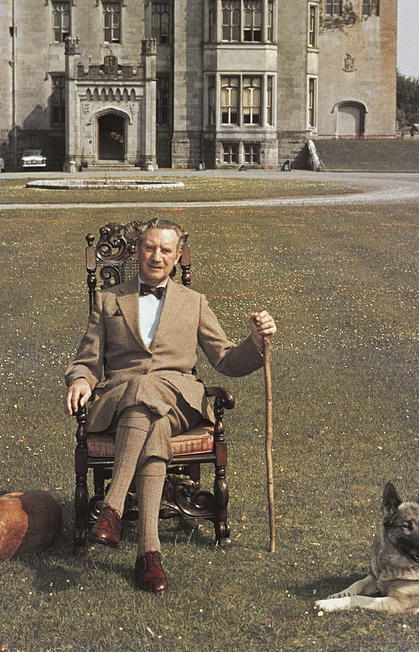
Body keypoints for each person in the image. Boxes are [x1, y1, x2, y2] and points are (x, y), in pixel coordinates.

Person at [65, 217, 276, 593]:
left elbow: (226, 359)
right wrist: (81, 378)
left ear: (178, 256)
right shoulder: (109, 300)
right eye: (149, 248)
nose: (156, 256)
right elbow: (86, 358)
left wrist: (256, 341)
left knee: (149, 393)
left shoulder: (194, 302)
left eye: (165, 250)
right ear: (138, 252)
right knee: (149, 415)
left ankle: (112, 508)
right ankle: (149, 553)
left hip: (181, 400)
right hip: (124, 401)